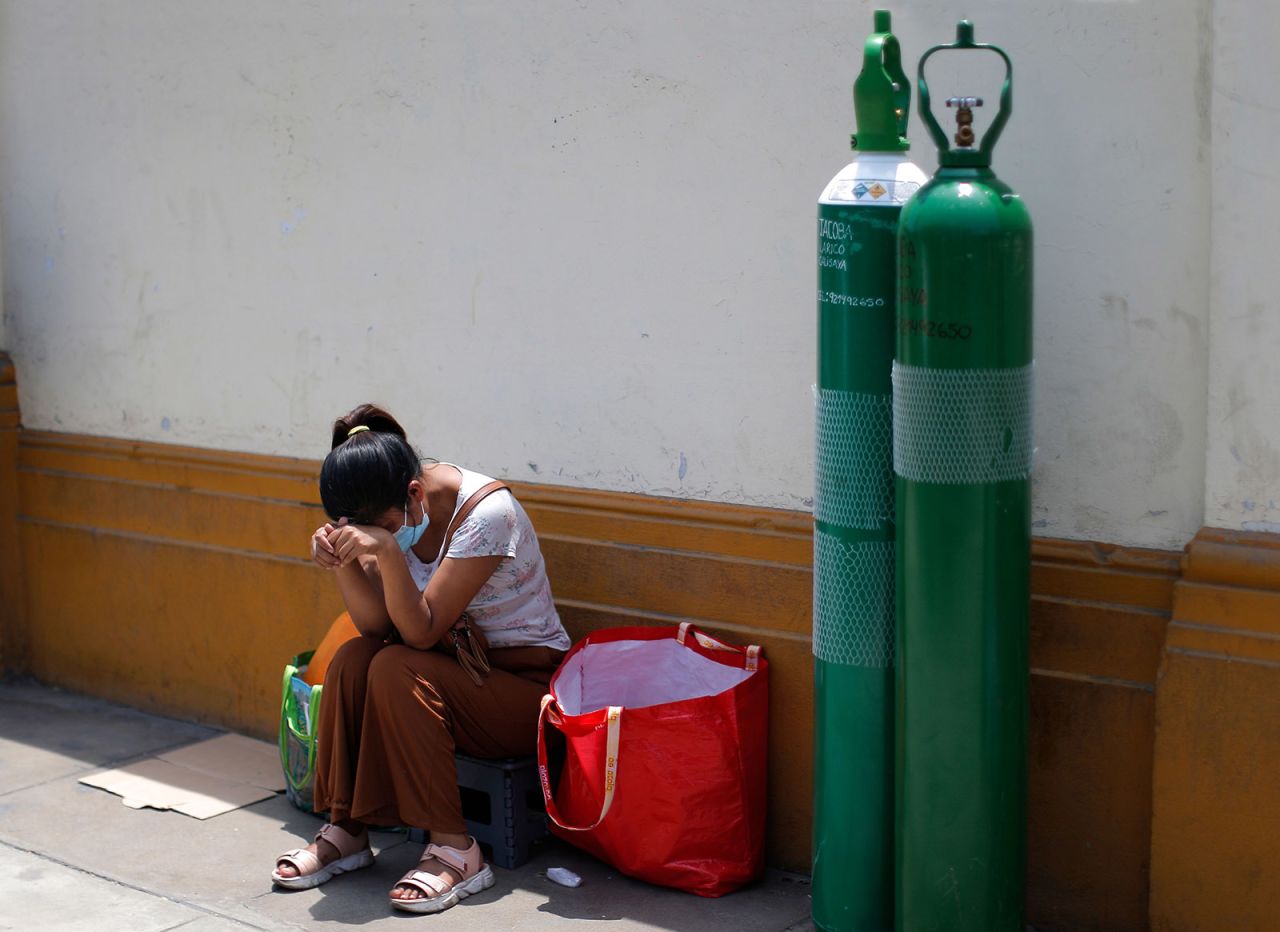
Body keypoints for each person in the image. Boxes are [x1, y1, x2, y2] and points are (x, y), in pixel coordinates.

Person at [271, 403, 570, 914]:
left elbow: (421, 631)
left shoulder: (485, 514)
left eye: (382, 529)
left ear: (413, 493)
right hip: (456, 674)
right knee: (354, 657)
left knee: (394, 665)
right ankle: (347, 830)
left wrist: (385, 552)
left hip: (526, 693)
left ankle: (458, 849)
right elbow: (376, 628)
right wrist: (345, 563)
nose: (376, 538)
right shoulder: (390, 509)